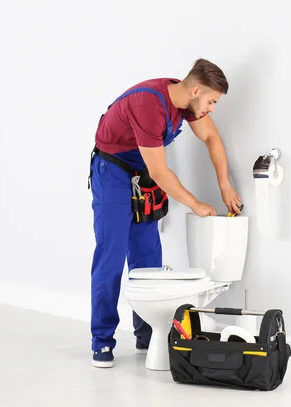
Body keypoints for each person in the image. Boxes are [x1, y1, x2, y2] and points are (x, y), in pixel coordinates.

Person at [87, 58, 242, 368]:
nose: (211, 109)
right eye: (211, 101)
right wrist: (195, 203)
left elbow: (211, 138)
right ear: (196, 90)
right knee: (112, 255)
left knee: (147, 258)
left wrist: (224, 185)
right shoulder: (149, 105)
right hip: (112, 170)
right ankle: (102, 341)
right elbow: (159, 171)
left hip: (141, 172)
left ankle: (148, 335)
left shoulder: (186, 102)